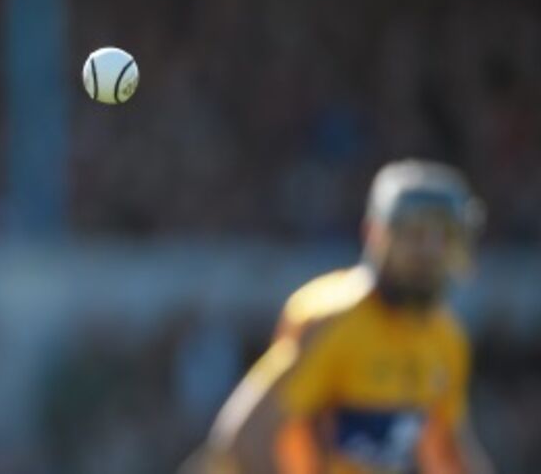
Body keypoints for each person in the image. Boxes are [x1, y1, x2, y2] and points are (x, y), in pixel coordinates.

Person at [198, 159, 493, 474]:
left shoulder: (446, 339)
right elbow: (243, 440)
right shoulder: (332, 320)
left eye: (444, 236)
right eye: (415, 234)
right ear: (375, 233)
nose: (429, 252)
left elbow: (445, 451)